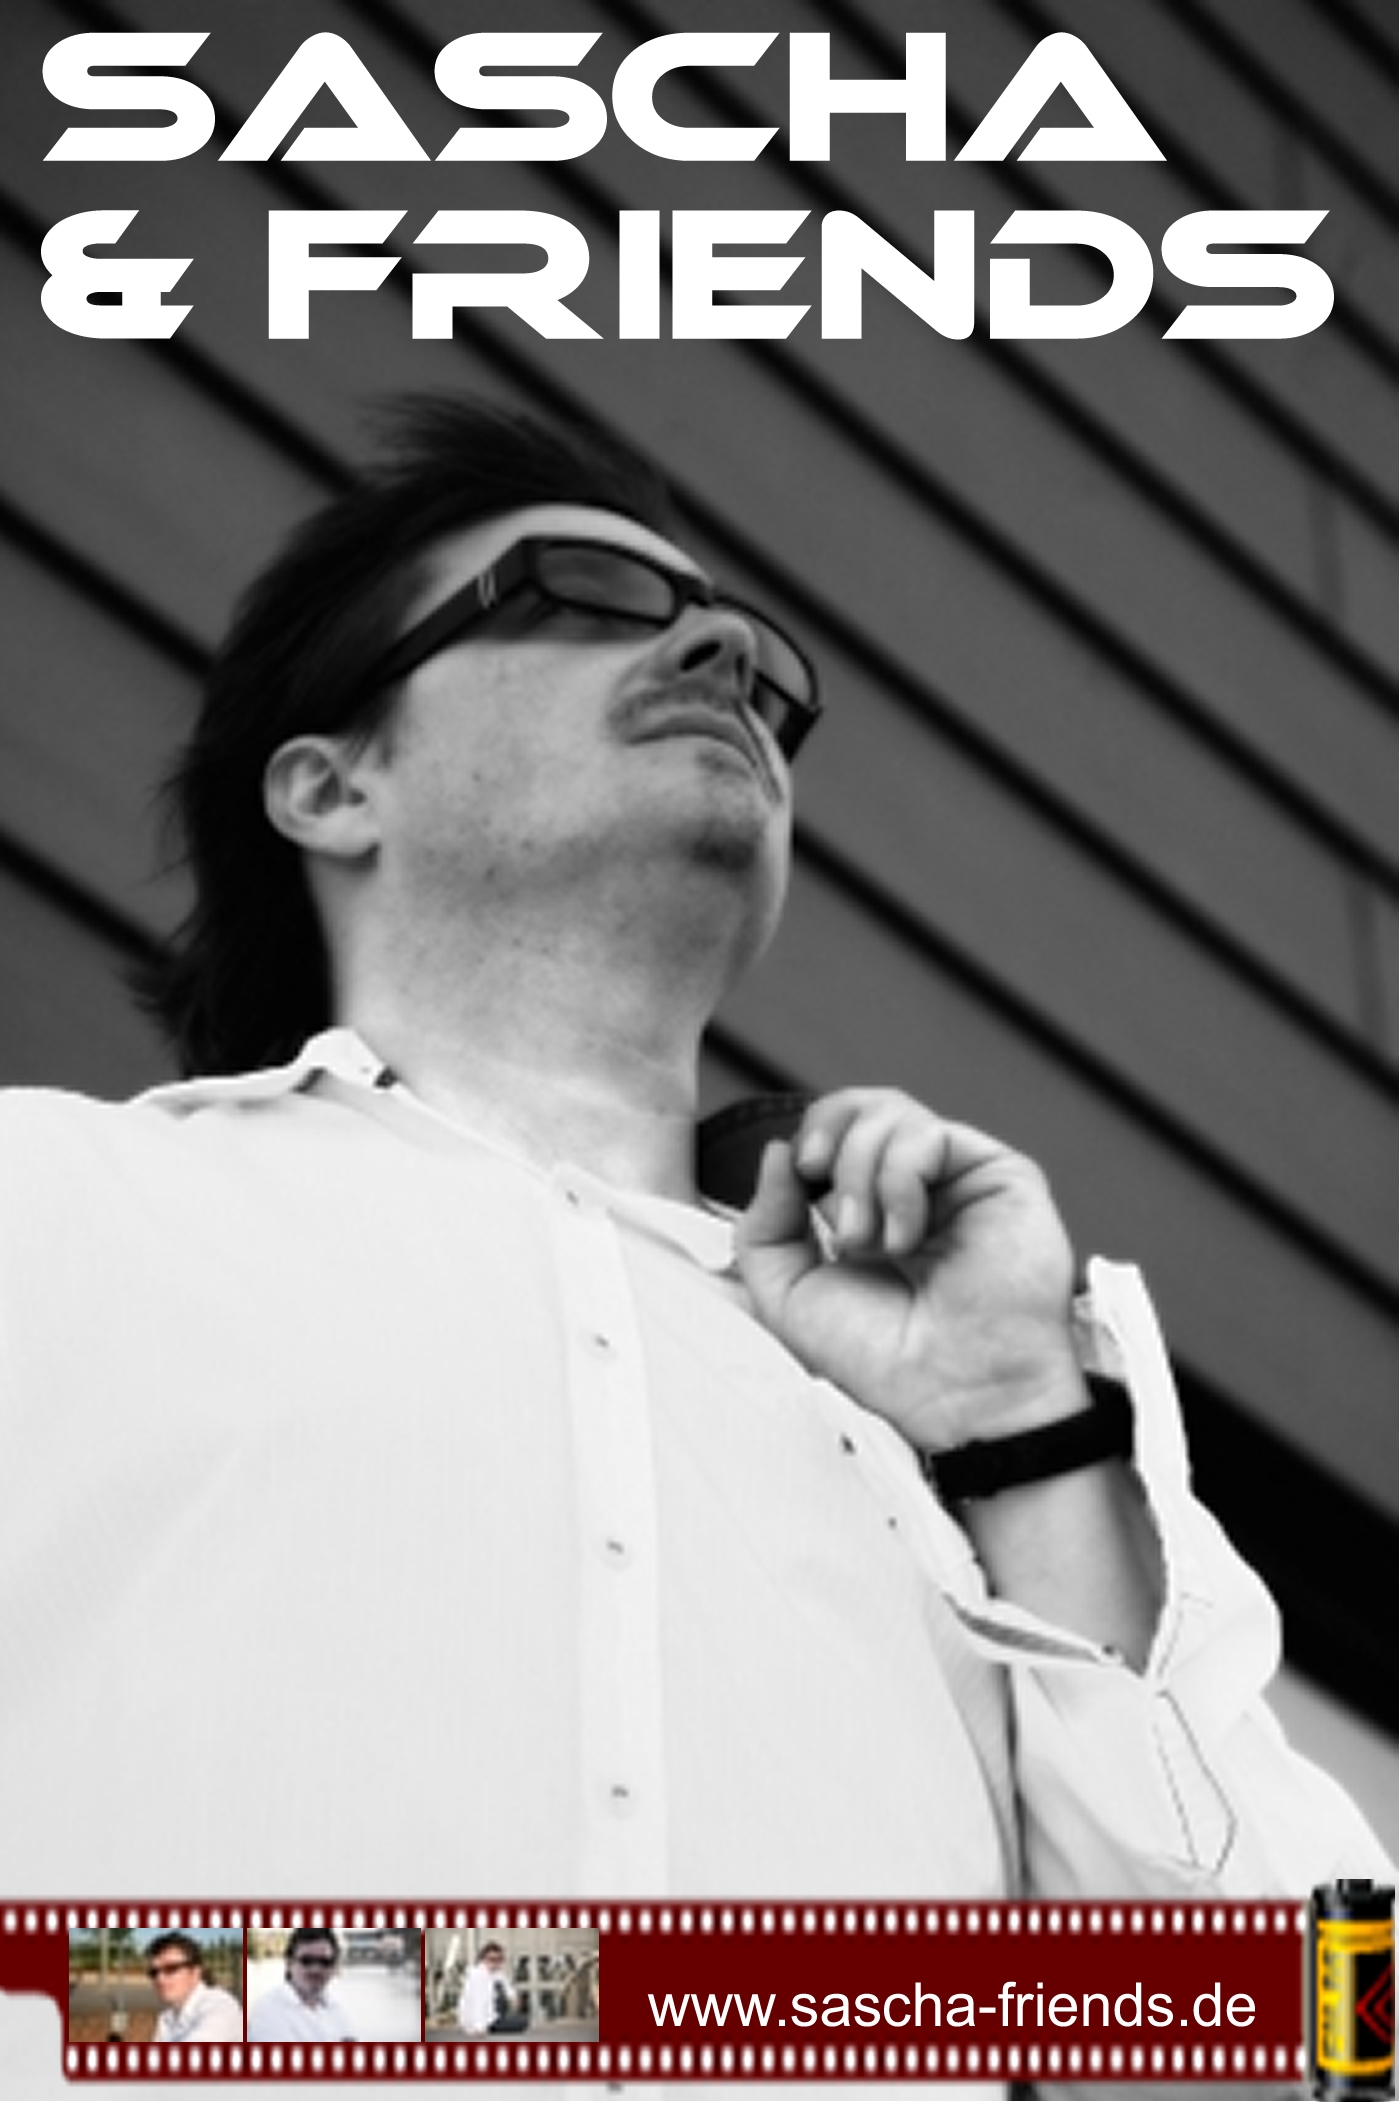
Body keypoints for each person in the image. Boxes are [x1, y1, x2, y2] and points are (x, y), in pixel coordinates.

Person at [0, 397, 1388, 1904]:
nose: (726, 651)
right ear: (333, 789)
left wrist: (1022, 1436)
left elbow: (1312, 2014)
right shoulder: (48, 1210)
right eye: (581, 595)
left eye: (764, 668)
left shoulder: (962, 1449)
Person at [246, 1928, 356, 2045]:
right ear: (289, 1963)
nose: (315, 1969)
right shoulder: (268, 2011)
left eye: (324, 1962)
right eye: (306, 1961)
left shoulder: (335, 2008)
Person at [145, 1933, 243, 2045]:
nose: (160, 1979)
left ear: (196, 1972)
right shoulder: (167, 2018)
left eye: (171, 1969)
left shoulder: (220, 2006)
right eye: (154, 1972)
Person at [458, 1943, 529, 2038]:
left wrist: (514, 1999)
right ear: (483, 1959)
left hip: (495, 2015)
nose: (495, 1963)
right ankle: (489, 2026)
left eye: (499, 1960)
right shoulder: (478, 1975)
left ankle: (497, 2023)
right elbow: (478, 2003)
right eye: (492, 1959)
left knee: (522, 2020)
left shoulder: (498, 1973)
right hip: (483, 2019)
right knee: (521, 2022)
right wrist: (479, 2027)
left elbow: (509, 1989)